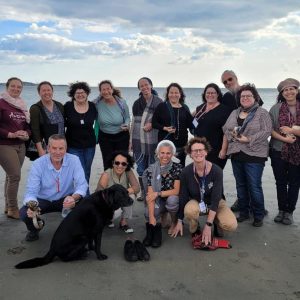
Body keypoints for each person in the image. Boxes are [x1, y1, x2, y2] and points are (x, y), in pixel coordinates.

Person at [19, 134, 88, 241]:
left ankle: (77, 230)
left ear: (66, 148)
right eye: (54, 148)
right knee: (24, 213)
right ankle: (34, 229)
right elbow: (31, 191)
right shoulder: (38, 164)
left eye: (61, 148)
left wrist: (73, 198)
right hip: (43, 200)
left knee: (85, 205)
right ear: (48, 148)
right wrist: (32, 206)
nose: (57, 152)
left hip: (65, 199)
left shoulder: (74, 160)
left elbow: (82, 185)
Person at [172, 137, 237, 246]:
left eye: (201, 150)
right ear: (190, 154)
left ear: (206, 152)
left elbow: (216, 199)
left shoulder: (217, 171)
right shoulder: (185, 172)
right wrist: (179, 221)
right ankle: (195, 228)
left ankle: (216, 221)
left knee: (231, 225)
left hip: (216, 202)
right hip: (197, 201)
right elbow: (183, 197)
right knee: (190, 210)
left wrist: (208, 225)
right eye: (194, 151)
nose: (198, 153)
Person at [223, 83, 272, 227]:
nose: (245, 98)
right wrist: (232, 135)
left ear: (255, 97)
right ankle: (244, 213)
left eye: (248, 96)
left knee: (254, 186)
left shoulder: (262, 112)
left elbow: (266, 131)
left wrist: (249, 139)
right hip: (237, 154)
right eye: (242, 96)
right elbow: (226, 128)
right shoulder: (235, 112)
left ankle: (258, 215)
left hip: (255, 155)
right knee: (241, 186)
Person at [269, 78, 300, 225]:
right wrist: (285, 139)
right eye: (285, 90)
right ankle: (281, 210)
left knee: (295, 183)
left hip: (298, 152)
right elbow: (270, 130)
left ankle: (289, 212)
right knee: (280, 182)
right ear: (282, 93)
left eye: (291, 89)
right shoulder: (275, 109)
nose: (289, 92)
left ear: (297, 90)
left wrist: (293, 130)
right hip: (278, 150)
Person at [0, 77, 31, 219]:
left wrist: (26, 134)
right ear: (7, 87)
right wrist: (10, 134)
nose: (16, 89)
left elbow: (27, 126)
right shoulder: (1, 103)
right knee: (15, 176)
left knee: (10, 177)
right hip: (5, 145)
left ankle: (7, 207)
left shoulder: (22, 105)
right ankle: (13, 208)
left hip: (20, 145)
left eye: (19, 87)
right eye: (13, 86)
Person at [143, 140, 182, 248]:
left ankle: (174, 222)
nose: (165, 156)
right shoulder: (152, 169)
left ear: (172, 154)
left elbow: (176, 191)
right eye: (162, 153)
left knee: (172, 200)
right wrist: (151, 217)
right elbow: (150, 195)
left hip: (170, 198)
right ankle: (153, 228)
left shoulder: (177, 167)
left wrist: (158, 193)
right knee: (147, 213)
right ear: (158, 154)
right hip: (158, 200)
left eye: (168, 153)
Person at [131, 77, 162, 201]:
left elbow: (162, 121)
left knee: (152, 169)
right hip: (138, 140)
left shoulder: (159, 102)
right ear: (139, 88)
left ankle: (152, 192)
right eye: (141, 86)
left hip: (154, 140)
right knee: (140, 169)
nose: (144, 87)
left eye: (146, 85)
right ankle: (143, 192)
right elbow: (134, 123)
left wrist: (153, 124)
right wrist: (130, 142)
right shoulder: (136, 103)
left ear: (151, 85)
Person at [96, 151, 140, 233]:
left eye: (123, 164)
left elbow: (137, 188)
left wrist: (122, 193)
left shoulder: (128, 172)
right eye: (117, 163)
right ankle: (107, 219)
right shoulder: (106, 174)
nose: (120, 166)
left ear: (127, 165)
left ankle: (123, 222)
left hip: (120, 200)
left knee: (132, 196)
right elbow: (98, 193)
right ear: (113, 163)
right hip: (108, 205)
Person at [64, 82, 97, 189]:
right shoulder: (67, 106)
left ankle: (81, 195)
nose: (80, 95)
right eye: (77, 93)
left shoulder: (92, 106)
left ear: (87, 93)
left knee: (87, 171)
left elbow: (99, 122)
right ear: (73, 94)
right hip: (73, 146)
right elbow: (60, 123)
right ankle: (84, 197)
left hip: (90, 146)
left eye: (82, 92)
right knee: (79, 171)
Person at [152, 83, 193, 166]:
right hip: (166, 146)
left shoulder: (185, 107)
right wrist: (164, 128)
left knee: (180, 168)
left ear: (180, 94)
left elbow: (191, 124)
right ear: (168, 94)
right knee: (165, 168)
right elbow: (154, 123)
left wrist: (197, 116)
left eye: (176, 92)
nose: (174, 95)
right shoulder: (162, 106)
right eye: (171, 92)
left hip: (182, 145)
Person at [193, 83, 231, 169]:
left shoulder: (224, 110)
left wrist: (224, 150)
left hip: (216, 150)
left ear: (217, 94)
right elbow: (192, 120)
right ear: (204, 94)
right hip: (200, 150)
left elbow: (227, 132)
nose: (210, 95)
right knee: (200, 175)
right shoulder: (200, 108)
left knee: (213, 177)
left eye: (213, 93)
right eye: (208, 93)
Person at [95, 80, 130, 170]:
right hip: (105, 137)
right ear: (100, 91)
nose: (106, 91)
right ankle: (109, 183)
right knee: (108, 163)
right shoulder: (96, 103)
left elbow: (127, 117)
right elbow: (85, 107)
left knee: (122, 162)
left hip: (122, 136)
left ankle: (122, 183)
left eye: (108, 89)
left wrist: (126, 124)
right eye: (103, 89)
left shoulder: (121, 102)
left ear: (112, 89)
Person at [30, 81, 64, 157]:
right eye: (43, 90)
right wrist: (40, 150)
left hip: (61, 146)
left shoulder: (59, 105)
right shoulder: (35, 108)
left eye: (48, 90)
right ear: (39, 93)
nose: (46, 93)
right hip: (46, 147)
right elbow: (35, 130)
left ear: (52, 91)